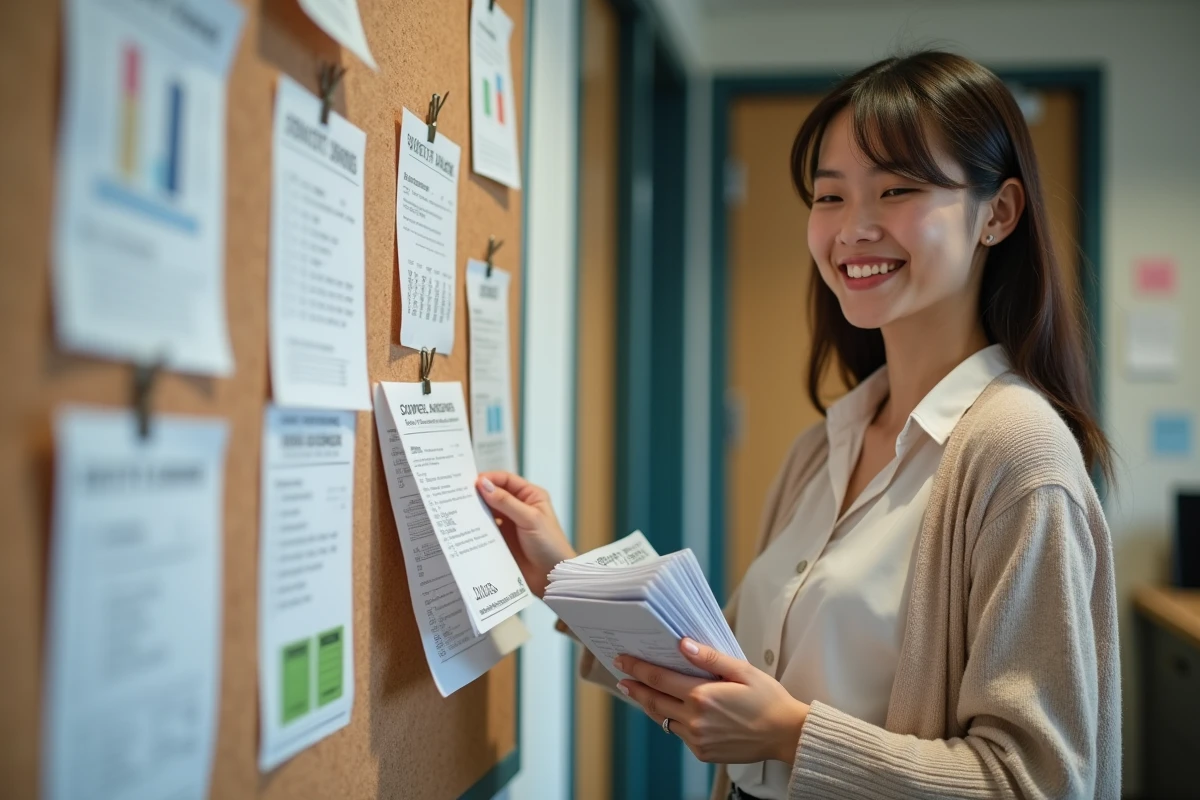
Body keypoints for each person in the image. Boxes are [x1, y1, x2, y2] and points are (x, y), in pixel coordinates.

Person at [476, 50, 1120, 800]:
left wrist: (790, 734)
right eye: (830, 197)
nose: (854, 230)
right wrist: (565, 576)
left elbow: (1037, 783)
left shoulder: (1019, 455)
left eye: (899, 189)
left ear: (998, 214)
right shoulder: (823, 446)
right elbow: (728, 672)